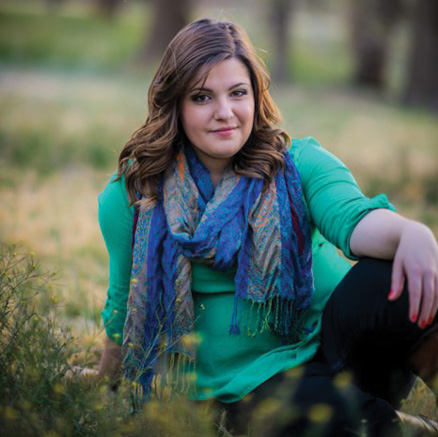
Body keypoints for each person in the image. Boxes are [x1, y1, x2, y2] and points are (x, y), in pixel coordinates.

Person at [96, 18, 438, 436]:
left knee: (397, 272)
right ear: (176, 105)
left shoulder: (298, 164)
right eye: (202, 97)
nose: (225, 113)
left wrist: (412, 234)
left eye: (238, 93)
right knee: (312, 413)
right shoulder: (134, 196)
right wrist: (105, 381)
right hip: (248, 387)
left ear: (256, 97)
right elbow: (124, 303)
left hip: (335, 348)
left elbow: (356, 219)